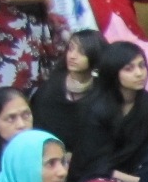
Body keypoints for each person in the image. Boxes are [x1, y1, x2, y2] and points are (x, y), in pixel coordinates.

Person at [76, 39, 148, 182]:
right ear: (113, 72)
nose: (139, 73)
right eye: (129, 69)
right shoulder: (95, 109)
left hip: (140, 177)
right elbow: (94, 164)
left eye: (142, 66)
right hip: (99, 180)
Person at [29, 28, 101, 171]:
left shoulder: (102, 91)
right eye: (71, 49)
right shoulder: (50, 89)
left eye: (81, 52)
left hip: (88, 163)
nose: (72, 56)